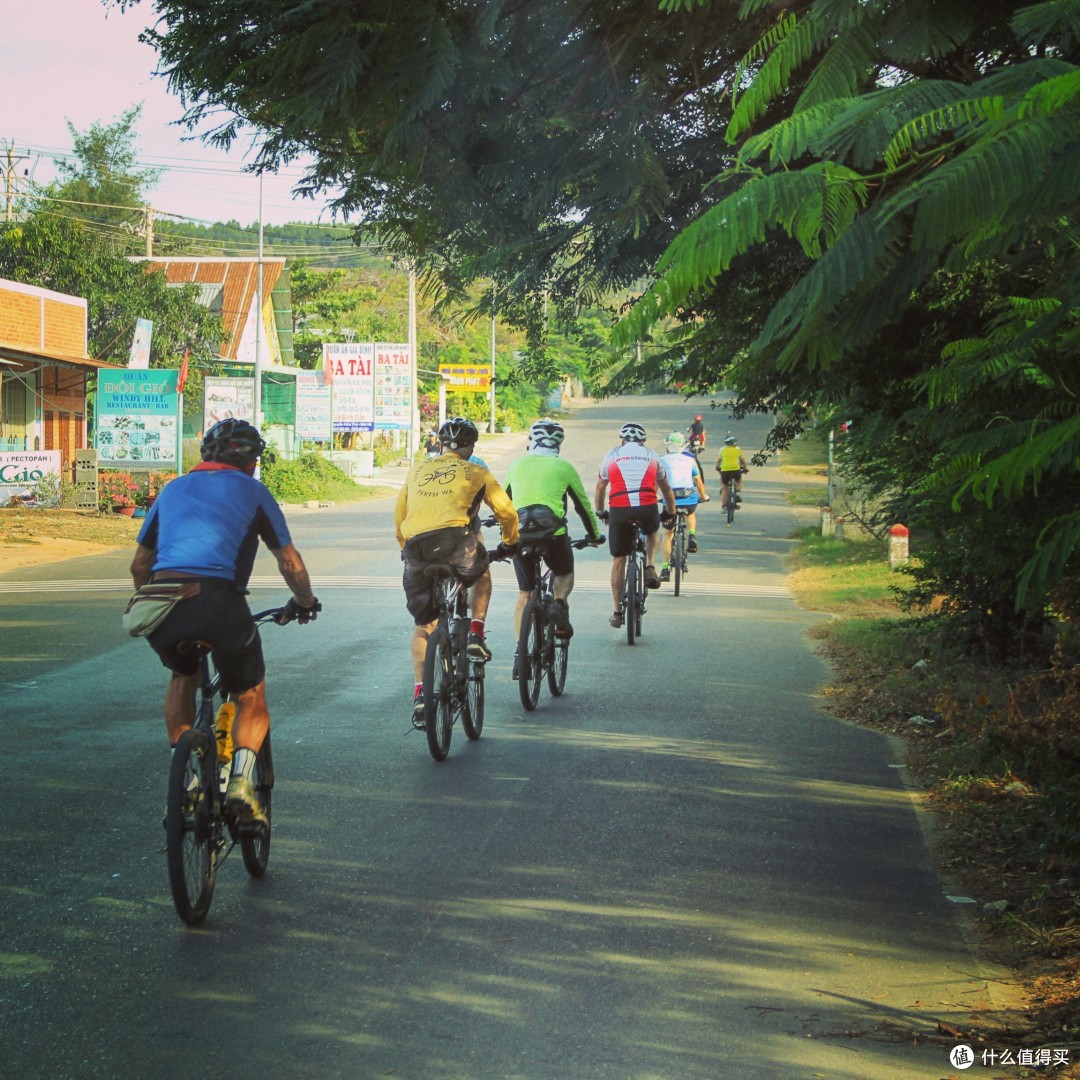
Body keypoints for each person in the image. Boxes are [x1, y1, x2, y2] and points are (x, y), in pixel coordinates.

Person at [129, 418, 320, 827]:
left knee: (183, 675)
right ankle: (241, 784)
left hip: (161, 601)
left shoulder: (173, 488)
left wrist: (148, 601)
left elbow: (140, 564)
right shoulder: (253, 490)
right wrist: (304, 601)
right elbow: (289, 560)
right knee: (250, 693)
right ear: (251, 462)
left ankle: (184, 778)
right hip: (219, 602)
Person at [395, 416, 519, 725]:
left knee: (424, 625)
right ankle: (475, 631)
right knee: (481, 569)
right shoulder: (477, 471)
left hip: (417, 550)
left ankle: (422, 696)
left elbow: (399, 515)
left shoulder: (417, 469)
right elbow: (505, 511)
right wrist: (509, 542)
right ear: (471, 446)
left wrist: (404, 548)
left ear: (439, 443)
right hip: (455, 545)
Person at [502, 419, 604, 674]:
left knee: (525, 594)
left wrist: (502, 532)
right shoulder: (565, 467)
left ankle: (520, 654)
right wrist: (594, 535)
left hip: (521, 535)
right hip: (553, 534)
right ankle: (558, 603)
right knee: (563, 573)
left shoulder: (517, 465)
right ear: (558, 445)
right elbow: (583, 506)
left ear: (531, 441)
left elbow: (502, 502)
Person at [595, 422, 676, 628]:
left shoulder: (612, 455)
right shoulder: (652, 456)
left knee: (618, 559)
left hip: (619, 509)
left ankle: (616, 612)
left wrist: (600, 511)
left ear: (622, 440)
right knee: (652, 531)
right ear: (643, 441)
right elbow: (666, 489)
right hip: (646, 506)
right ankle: (650, 567)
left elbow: (601, 486)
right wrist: (670, 512)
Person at [658, 431, 708, 581]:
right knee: (691, 512)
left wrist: (655, 496)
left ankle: (665, 569)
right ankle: (692, 534)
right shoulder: (689, 460)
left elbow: (656, 482)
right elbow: (698, 482)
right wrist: (703, 496)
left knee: (667, 534)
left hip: (670, 499)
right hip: (688, 497)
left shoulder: (662, 460)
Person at [716, 433, 749, 517]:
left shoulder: (722, 450)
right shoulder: (738, 450)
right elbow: (742, 460)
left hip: (725, 471)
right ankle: (737, 492)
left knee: (724, 488)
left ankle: (723, 506)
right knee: (739, 480)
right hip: (736, 470)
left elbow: (718, 461)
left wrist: (717, 467)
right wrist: (745, 468)